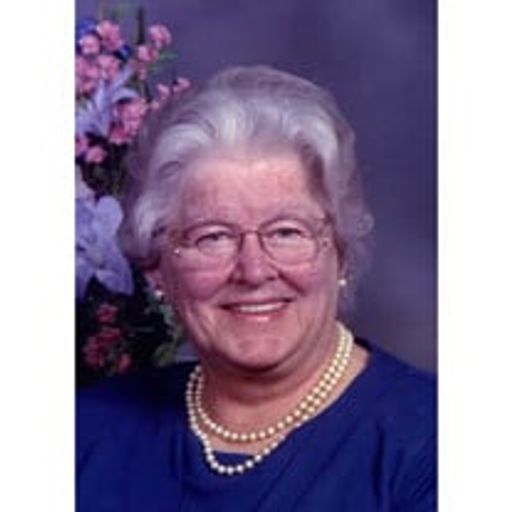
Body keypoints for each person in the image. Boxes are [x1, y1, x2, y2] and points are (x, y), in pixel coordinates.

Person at [77, 65, 436, 511]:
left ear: (340, 253)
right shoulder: (85, 434)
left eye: (286, 232)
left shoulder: (431, 444)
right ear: (160, 270)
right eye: (212, 237)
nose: (252, 271)